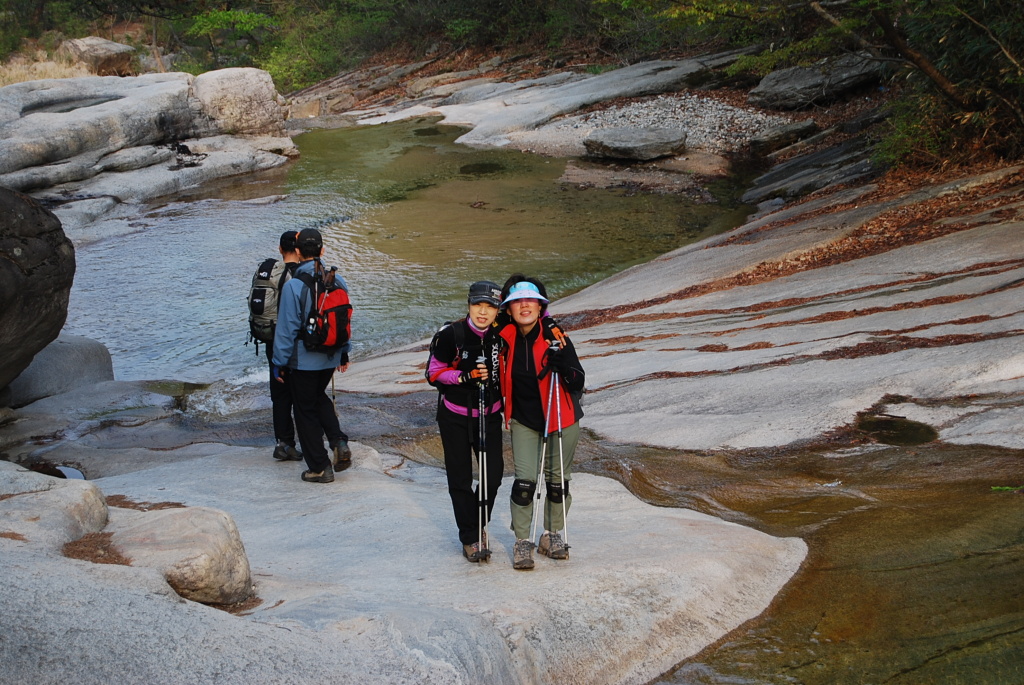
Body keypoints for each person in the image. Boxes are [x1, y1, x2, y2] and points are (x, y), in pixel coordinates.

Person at [496, 274, 585, 570]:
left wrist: (564, 366)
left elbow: (578, 378)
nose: (525, 306)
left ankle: (551, 535)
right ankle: (523, 541)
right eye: (518, 301)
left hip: (562, 417)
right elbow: (479, 322)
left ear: (540, 306)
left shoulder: (554, 335)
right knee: (524, 483)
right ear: (508, 307)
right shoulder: (502, 336)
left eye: (531, 301)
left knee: (557, 483)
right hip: (523, 420)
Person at [426, 281, 505, 562]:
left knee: (493, 477)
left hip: (490, 415)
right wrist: (463, 376)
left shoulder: (501, 335)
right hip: (455, 417)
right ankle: (470, 537)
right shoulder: (451, 334)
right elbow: (434, 373)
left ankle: (478, 523)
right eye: (477, 305)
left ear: (498, 309)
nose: (483, 312)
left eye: (490, 306)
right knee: (459, 480)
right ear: (469, 305)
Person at [271, 228, 352, 483]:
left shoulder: (295, 285)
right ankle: (338, 440)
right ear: (322, 250)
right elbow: (345, 320)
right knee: (318, 397)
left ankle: (319, 467)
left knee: (304, 409)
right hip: (330, 355)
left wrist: (279, 364)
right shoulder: (338, 281)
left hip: (303, 359)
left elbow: (287, 330)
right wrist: (344, 353)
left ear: (297, 252)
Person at [263, 230, 303, 462]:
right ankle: (310, 442)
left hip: (272, 340)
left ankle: (283, 442)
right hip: (296, 344)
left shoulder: (272, 273)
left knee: (279, 395)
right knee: (302, 394)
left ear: (280, 250)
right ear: (299, 250)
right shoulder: (301, 275)